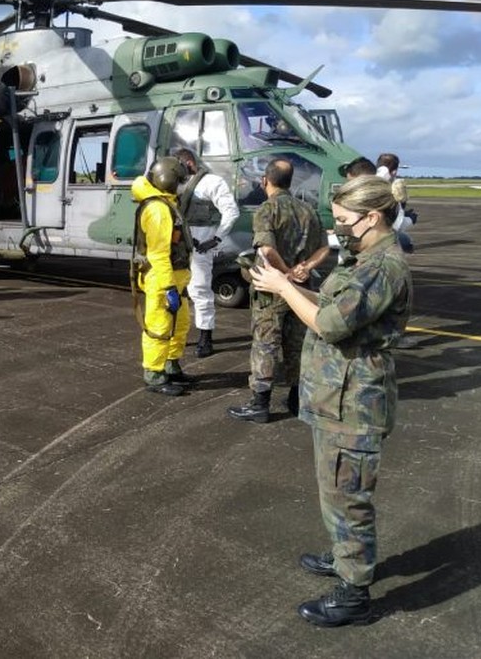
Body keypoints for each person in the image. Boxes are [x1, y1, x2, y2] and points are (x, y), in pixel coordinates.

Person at [248, 175, 412, 627]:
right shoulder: (365, 257)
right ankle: (346, 559)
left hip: (354, 401)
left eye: (343, 220)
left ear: (371, 217)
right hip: (338, 395)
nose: (338, 228)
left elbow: (331, 325)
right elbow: (330, 303)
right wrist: (287, 284)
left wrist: (283, 289)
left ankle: (355, 593)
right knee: (336, 490)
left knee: (348, 495)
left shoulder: (382, 268)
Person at [228, 158, 329, 422]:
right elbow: (324, 248)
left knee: (265, 344)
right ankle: (297, 400)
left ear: (265, 181)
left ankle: (260, 403)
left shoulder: (266, 209)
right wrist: (303, 268)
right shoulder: (308, 210)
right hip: (302, 290)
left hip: (272, 290)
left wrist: (284, 274)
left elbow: (267, 249)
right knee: (297, 344)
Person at [130, 156, 193, 396]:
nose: (179, 185)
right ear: (168, 179)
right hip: (162, 277)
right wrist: (168, 287)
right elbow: (158, 253)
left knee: (180, 324)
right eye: (178, 180)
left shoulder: (167, 204)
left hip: (177, 276)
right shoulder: (157, 209)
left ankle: (171, 366)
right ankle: (154, 375)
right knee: (159, 326)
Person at [174, 148, 240, 358]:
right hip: (179, 245)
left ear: (189, 163)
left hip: (201, 245)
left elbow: (231, 211)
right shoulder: (177, 183)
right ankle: (178, 335)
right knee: (174, 290)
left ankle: (205, 337)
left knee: (200, 291)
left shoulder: (212, 182)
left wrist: (215, 239)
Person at [376, 153, 416, 253]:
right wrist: (410, 219)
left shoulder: (367, 181)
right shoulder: (392, 187)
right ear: (394, 171)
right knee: (405, 241)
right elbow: (396, 226)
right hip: (377, 238)